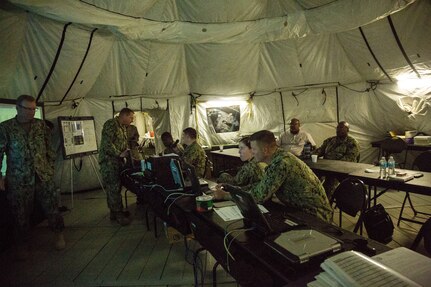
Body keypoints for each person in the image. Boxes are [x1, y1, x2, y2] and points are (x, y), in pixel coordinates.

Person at [0, 95, 65, 254]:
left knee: (52, 207)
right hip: (18, 179)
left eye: (33, 109)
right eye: (27, 109)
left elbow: (49, 148)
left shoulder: (40, 126)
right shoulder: (5, 128)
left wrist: (49, 168)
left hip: (43, 176)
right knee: (20, 212)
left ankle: (58, 235)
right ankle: (22, 244)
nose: (31, 112)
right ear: (17, 108)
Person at [225, 130, 332, 222]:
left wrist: (227, 195)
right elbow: (261, 185)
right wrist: (233, 190)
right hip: (299, 210)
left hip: (315, 217)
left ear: (265, 150)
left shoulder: (281, 163)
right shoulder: (279, 157)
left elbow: (259, 196)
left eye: (253, 149)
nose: (252, 152)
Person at [99, 108, 135, 226]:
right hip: (109, 162)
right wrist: (119, 154)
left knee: (115, 188)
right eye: (131, 117)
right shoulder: (111, 125)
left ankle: (114, 212)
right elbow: (107, 143)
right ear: (124, 115)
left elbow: (121, 143)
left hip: (117, 162)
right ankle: (118, 214)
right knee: (113, 188)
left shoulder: (122, 127)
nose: (132, 120)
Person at [314, 121, 360, 198]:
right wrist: (313, 154)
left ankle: (326, 204)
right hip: (325, 169)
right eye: (338, 128)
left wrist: (332, 165)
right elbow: (320, 150)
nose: (338, 130)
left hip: (340, 172)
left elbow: (349, 159)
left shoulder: (352, 143)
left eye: (341, 128)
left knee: (328, 185)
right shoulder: (330, 140)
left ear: (347, 130)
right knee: (312, 179)